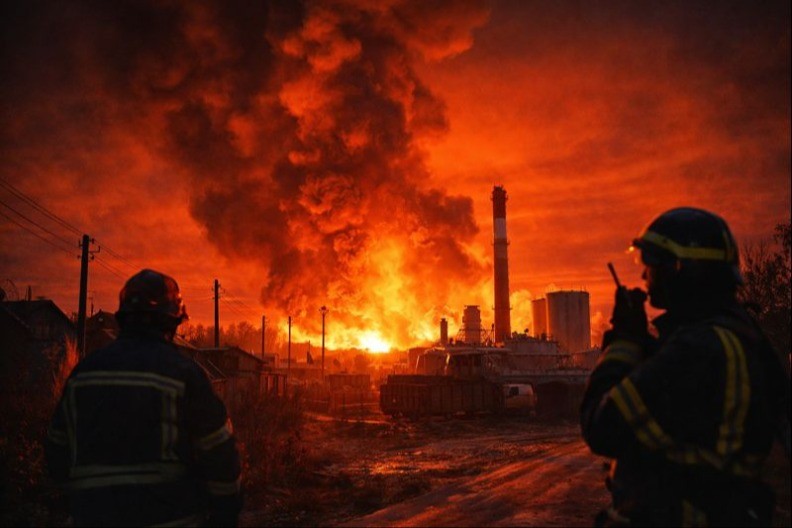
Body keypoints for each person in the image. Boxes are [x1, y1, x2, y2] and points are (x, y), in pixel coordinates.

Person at [580, 207, 790, 526]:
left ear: (678, 269)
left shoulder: (698, 350)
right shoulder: (736, 335)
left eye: (649, 264)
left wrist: (624, 341)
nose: (642, 276)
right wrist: (646, 343)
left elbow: (601, 424)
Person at [45, 269, 243, 526]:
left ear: (123, 319)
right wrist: (224, 517)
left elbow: (56, 452)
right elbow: (222, 458)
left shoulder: (83, 373)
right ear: (172, 323)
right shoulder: (184, 375)